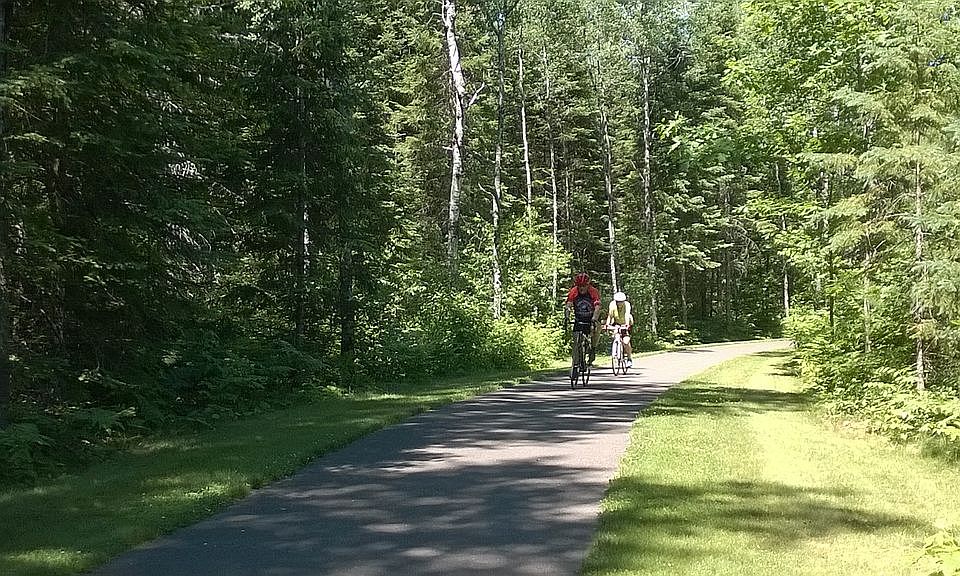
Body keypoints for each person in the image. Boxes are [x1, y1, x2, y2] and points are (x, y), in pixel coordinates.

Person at [564, 272, 601, 364]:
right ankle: (576, 363)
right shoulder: (574, 291)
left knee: (596, 329)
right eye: (579, 286)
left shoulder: (593, 291)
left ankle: (593, 349)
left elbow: (597, 307)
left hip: (591, 317)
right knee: (576, 341)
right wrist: (567, 316)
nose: (581, 288)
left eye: (584, 286)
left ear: (588, 285)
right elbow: (568, 305)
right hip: (579, 319)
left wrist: (594, 319)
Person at [605, 291, 634, 368]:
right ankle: (616, 350)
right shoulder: (612, 305)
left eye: (621, 302)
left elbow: (627, 315)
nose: (619, 304)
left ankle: (629, 358)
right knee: (615, 334)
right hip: (616, 322)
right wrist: (607, 325)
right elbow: (610, 316)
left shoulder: (627, 305)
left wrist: (627, 325)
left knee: (626, 341)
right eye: (618, 302)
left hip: (626, 322)